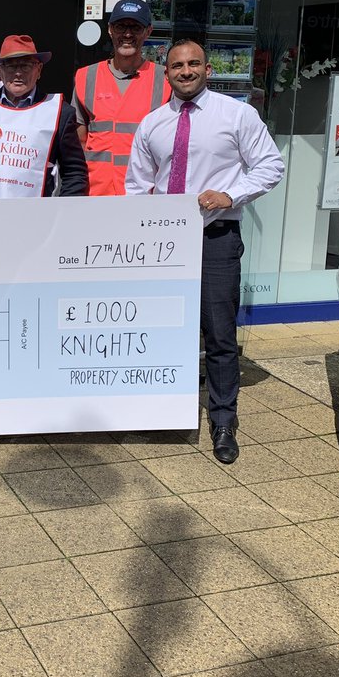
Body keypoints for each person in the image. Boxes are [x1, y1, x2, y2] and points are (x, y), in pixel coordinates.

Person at [126, 38, 284, 465]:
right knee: (162, 329)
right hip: (163, 242)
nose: (186, 71)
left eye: (194, 63)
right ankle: (161, 411)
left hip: (216, 239)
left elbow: (271, 165)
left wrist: (230, 194)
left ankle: (223, 421)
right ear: (167, 72)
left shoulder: (236, 114)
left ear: (208, 69)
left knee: (218, 335)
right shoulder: (153, 123)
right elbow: (138, 185)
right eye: (177, 65)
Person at [0, 34, 88, 198]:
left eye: (26, 66)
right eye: (11, 67)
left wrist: (61, 212)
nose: (18, 73)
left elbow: (74, 172)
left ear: (39, 70)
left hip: (35, 219)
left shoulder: (60, 113)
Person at [73, 0, 170, 195]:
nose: (127, 34)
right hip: (95, 192)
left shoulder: (165, 79)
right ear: (110, 29)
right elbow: (78, 141)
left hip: (144, 193)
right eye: (120, 27)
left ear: (148, 31)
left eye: (135, 27)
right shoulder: (86, 76)